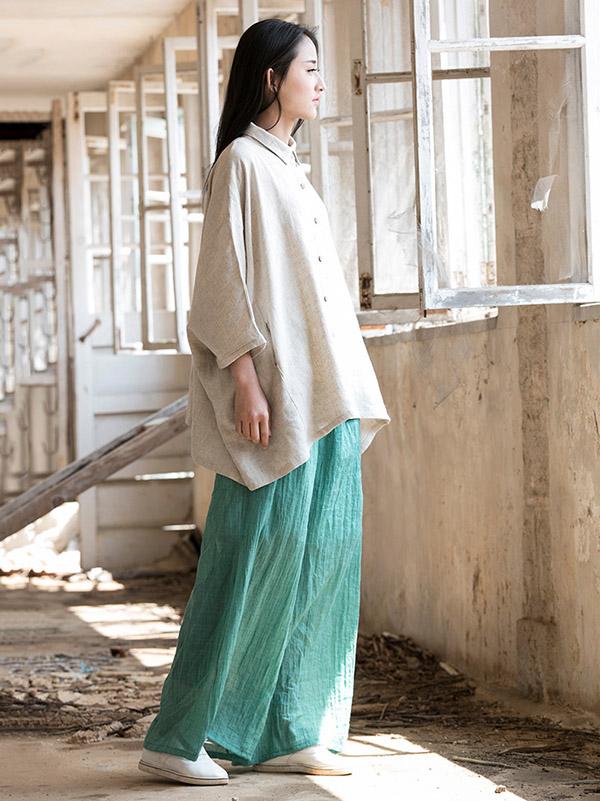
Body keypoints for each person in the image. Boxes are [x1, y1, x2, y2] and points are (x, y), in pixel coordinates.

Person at [138, 17, 390, 786]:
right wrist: (245, 380)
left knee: (321, 564)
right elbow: (222, 282)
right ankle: (178, 735)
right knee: (248, 561)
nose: (322, 81)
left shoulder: (292, 170)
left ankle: (294, 726)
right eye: (309, 69)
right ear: (271, 78)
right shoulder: (241, 163)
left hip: (330, 396)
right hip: (278, 401)